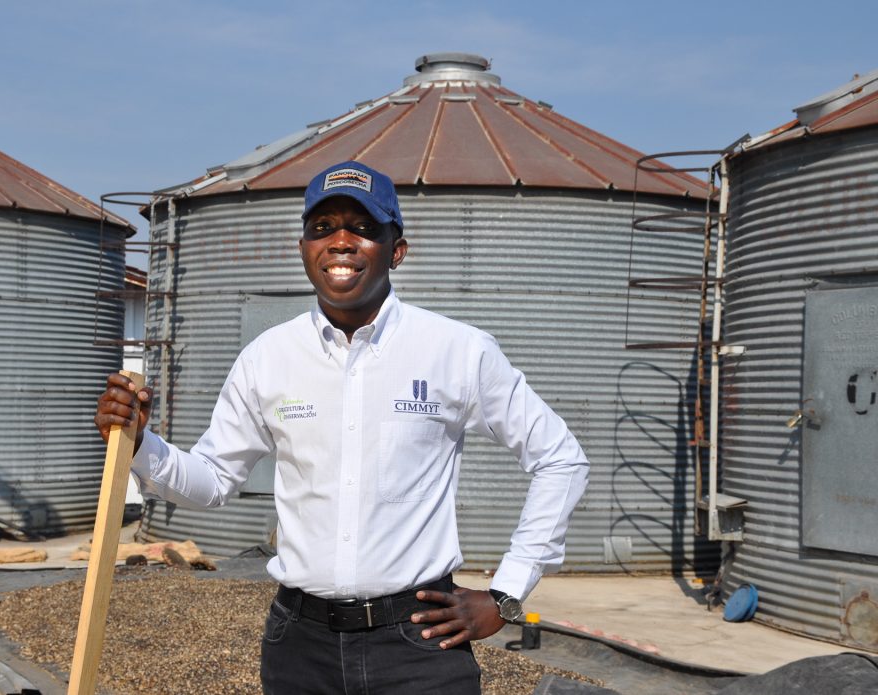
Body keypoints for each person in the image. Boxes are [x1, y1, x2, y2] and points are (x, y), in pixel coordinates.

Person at [94, 160, 589, 694]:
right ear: (304, 247)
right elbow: (214, 479)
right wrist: (140, 445)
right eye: (323, 228)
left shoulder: (457, 352)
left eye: (362, 227)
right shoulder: (269, 358)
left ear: (396, 249)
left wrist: (506, 594)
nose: (341, 242)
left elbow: (560, 458)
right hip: (300, 647)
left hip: (419, 645)